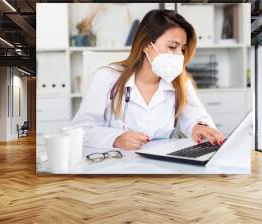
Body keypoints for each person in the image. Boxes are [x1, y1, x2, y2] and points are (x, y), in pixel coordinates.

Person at [71, 9, 224, 150]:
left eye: (182, 49)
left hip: (163, 167)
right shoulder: (107, 78)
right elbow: (81, 129)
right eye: (172, 46)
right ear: (145, 44)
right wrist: (116, 139)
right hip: (118, 165)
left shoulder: (180, 82)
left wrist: (199, 126)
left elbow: (196, 117)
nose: (179, 56)